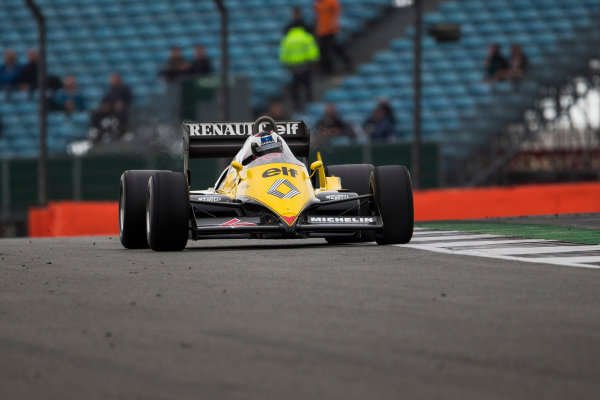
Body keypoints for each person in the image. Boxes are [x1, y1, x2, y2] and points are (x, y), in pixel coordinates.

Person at [279, 26, 320, 111]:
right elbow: (312, 51)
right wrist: (314, 61)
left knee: (295, 88)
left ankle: (297, 106)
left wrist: (286, 64)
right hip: (305, 66)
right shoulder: (306, 37)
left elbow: (283, 55)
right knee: (307, 87)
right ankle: (309, 105)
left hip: (293, 68)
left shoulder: (287, 39)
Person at [89, 73, 133, 142]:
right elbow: (105, 101)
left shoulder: (124, 89)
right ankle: (99, 132)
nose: (112, 81)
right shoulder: (110, 90)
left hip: (120, 110)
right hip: (110, 109)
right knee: (95, 114)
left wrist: (121, 104)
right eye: (111, 79)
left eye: (114, 79)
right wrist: (105, 106)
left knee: (120, 113)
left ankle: (121, 133)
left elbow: (128, 100)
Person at [314, 0, 352, 75]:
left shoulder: (330, 2)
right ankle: (327, 69)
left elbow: (337, 11)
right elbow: (318, 18)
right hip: (322, 31)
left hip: (330, 30)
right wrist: (317, 29)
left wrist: (334, 22)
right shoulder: (317, 4)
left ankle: (346, 62)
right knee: (323, 50)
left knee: (335, 48)